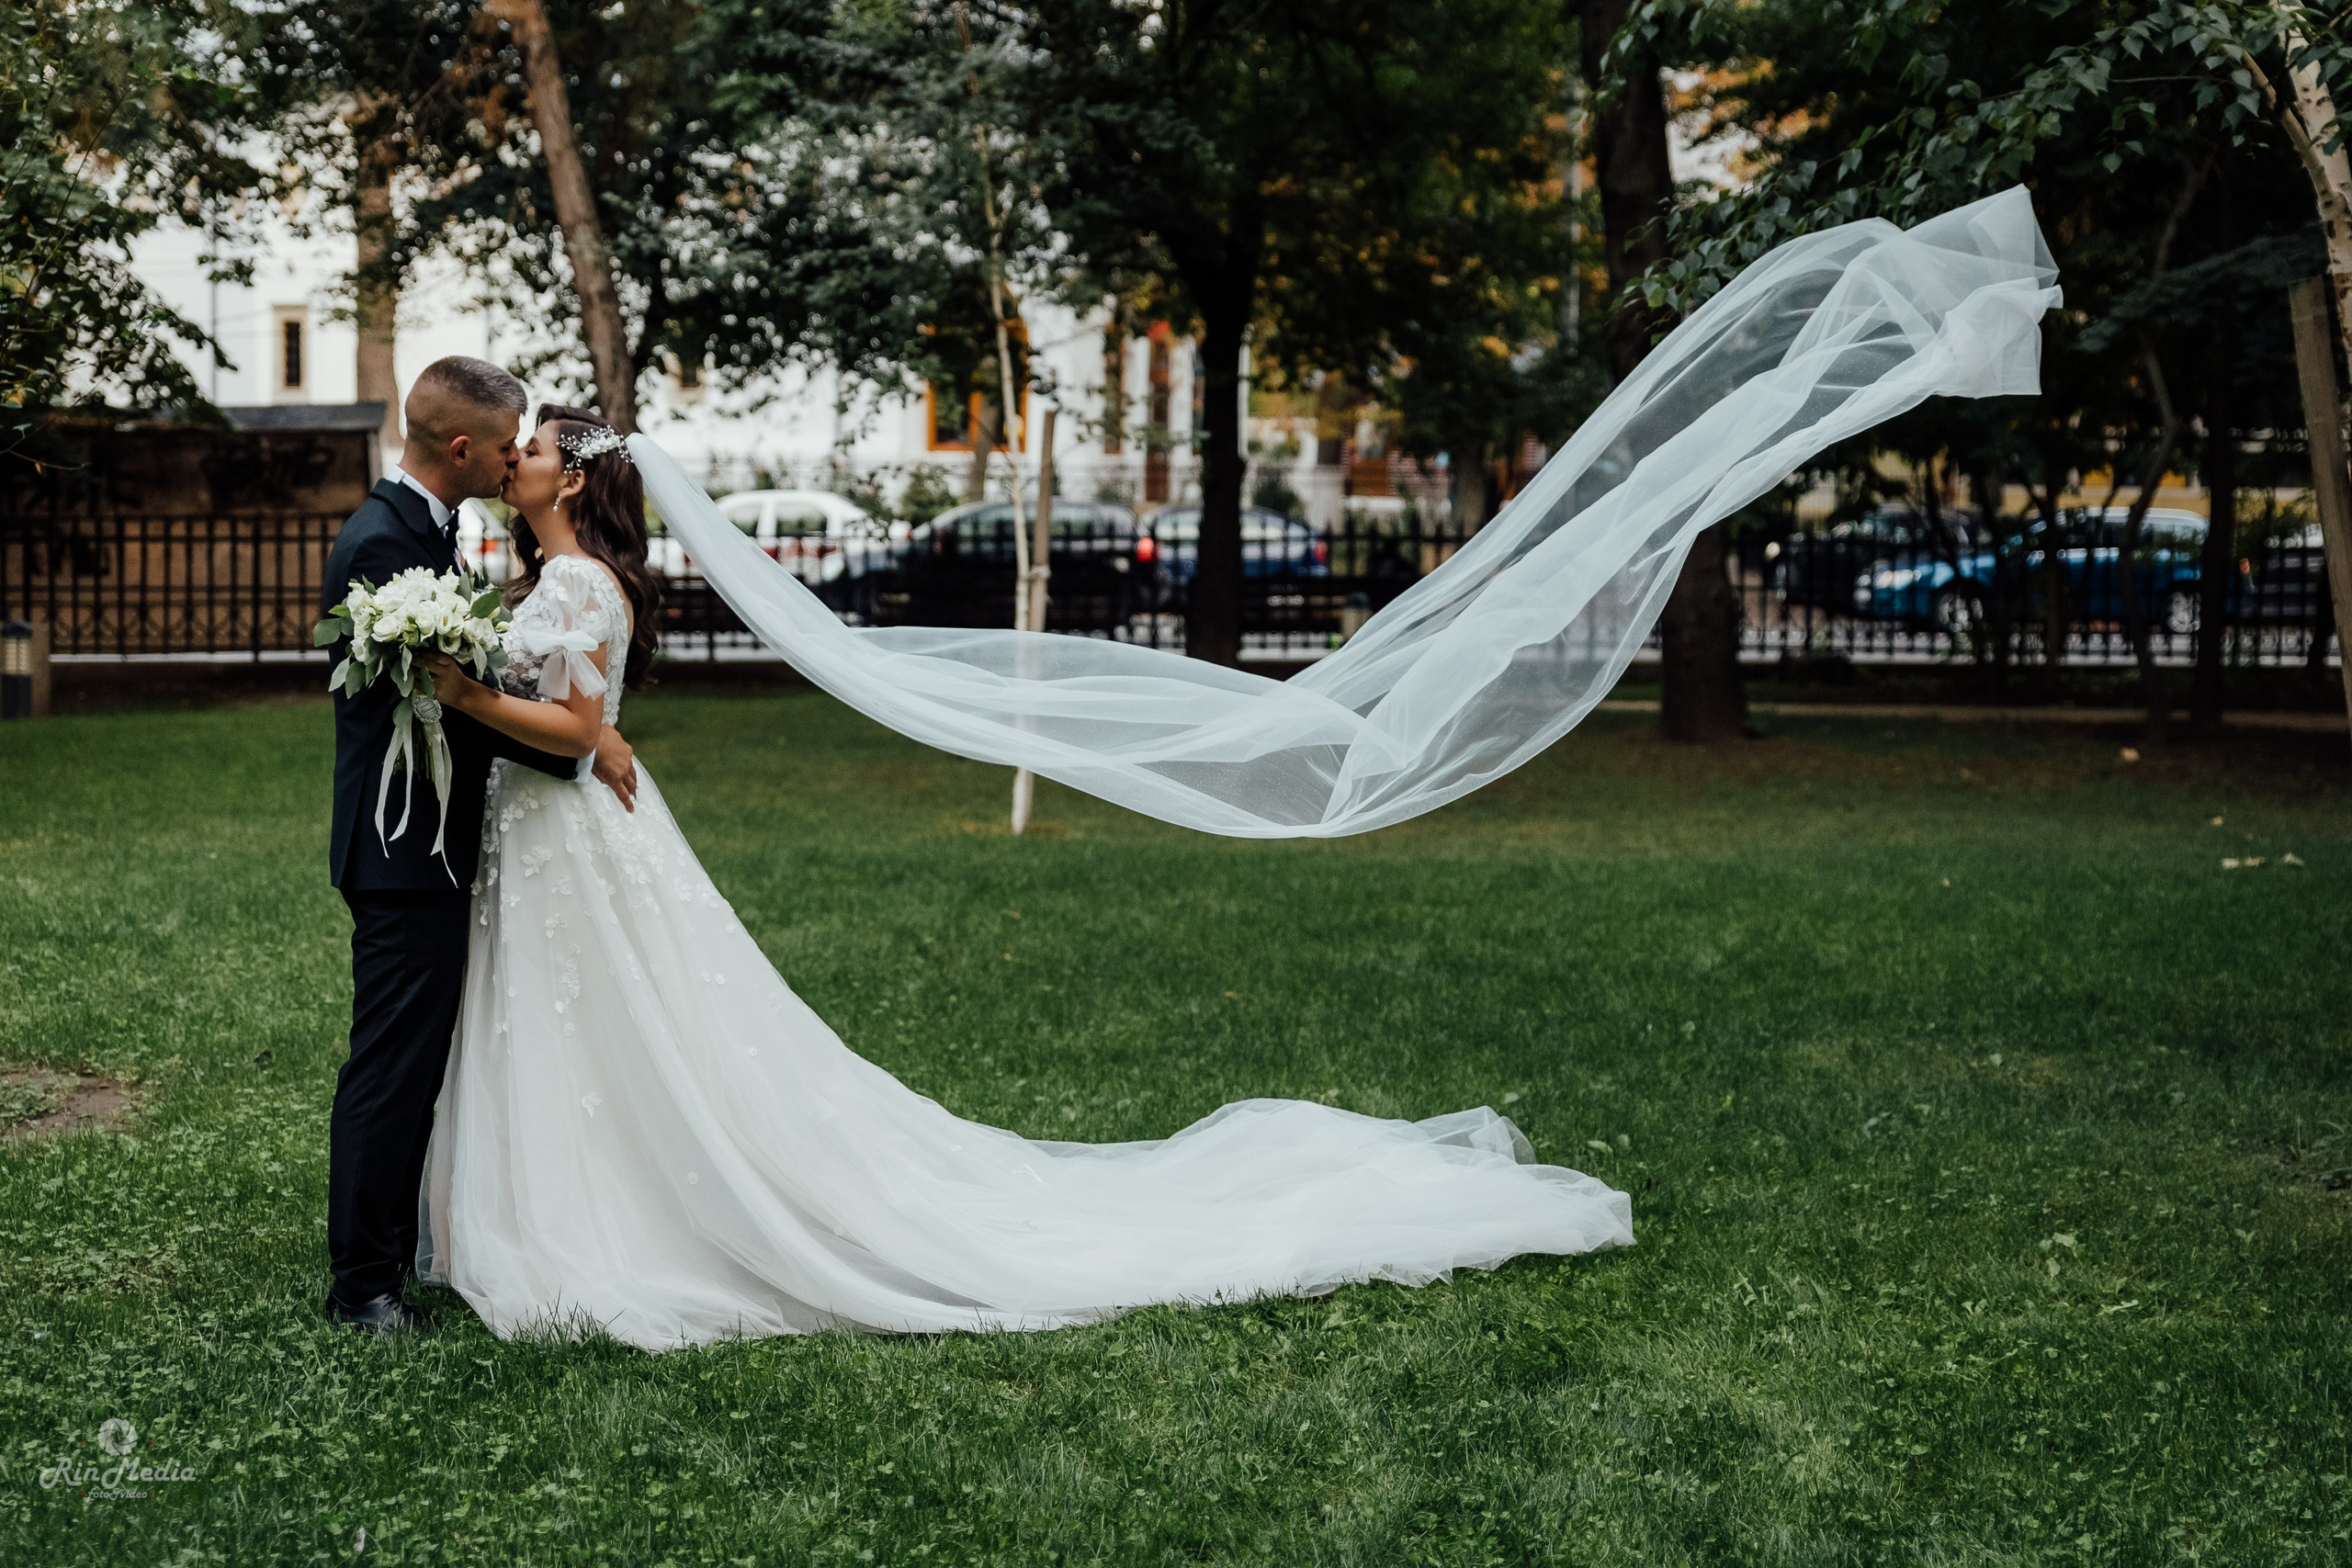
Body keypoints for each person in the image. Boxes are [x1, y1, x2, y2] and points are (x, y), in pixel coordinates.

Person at [406, 404, 1632, 1350]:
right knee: (589, 1024)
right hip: (551, 832)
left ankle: (595, 1222)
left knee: (616, 1022)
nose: (511, 459)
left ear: (571, 476)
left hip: (573, 830)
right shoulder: (538, 578)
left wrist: (464, 690)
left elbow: (573, 725)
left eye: (530, 448)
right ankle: (549, 1203)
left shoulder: (576, 582)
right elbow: (574, 718)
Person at [321, 361, 639, 1337]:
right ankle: (365, 1287)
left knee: (433, 1060)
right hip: (406, 846)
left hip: (460, 840)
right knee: (394, 1066)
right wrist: (584, 735)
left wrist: (583, 728)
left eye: (529, 449)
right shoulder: (382, 543)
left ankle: (436, 1239)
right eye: (509, 444)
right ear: (463, 448)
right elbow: (436, 703)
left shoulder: (436, 536)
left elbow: (480, 688)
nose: (514, 460)